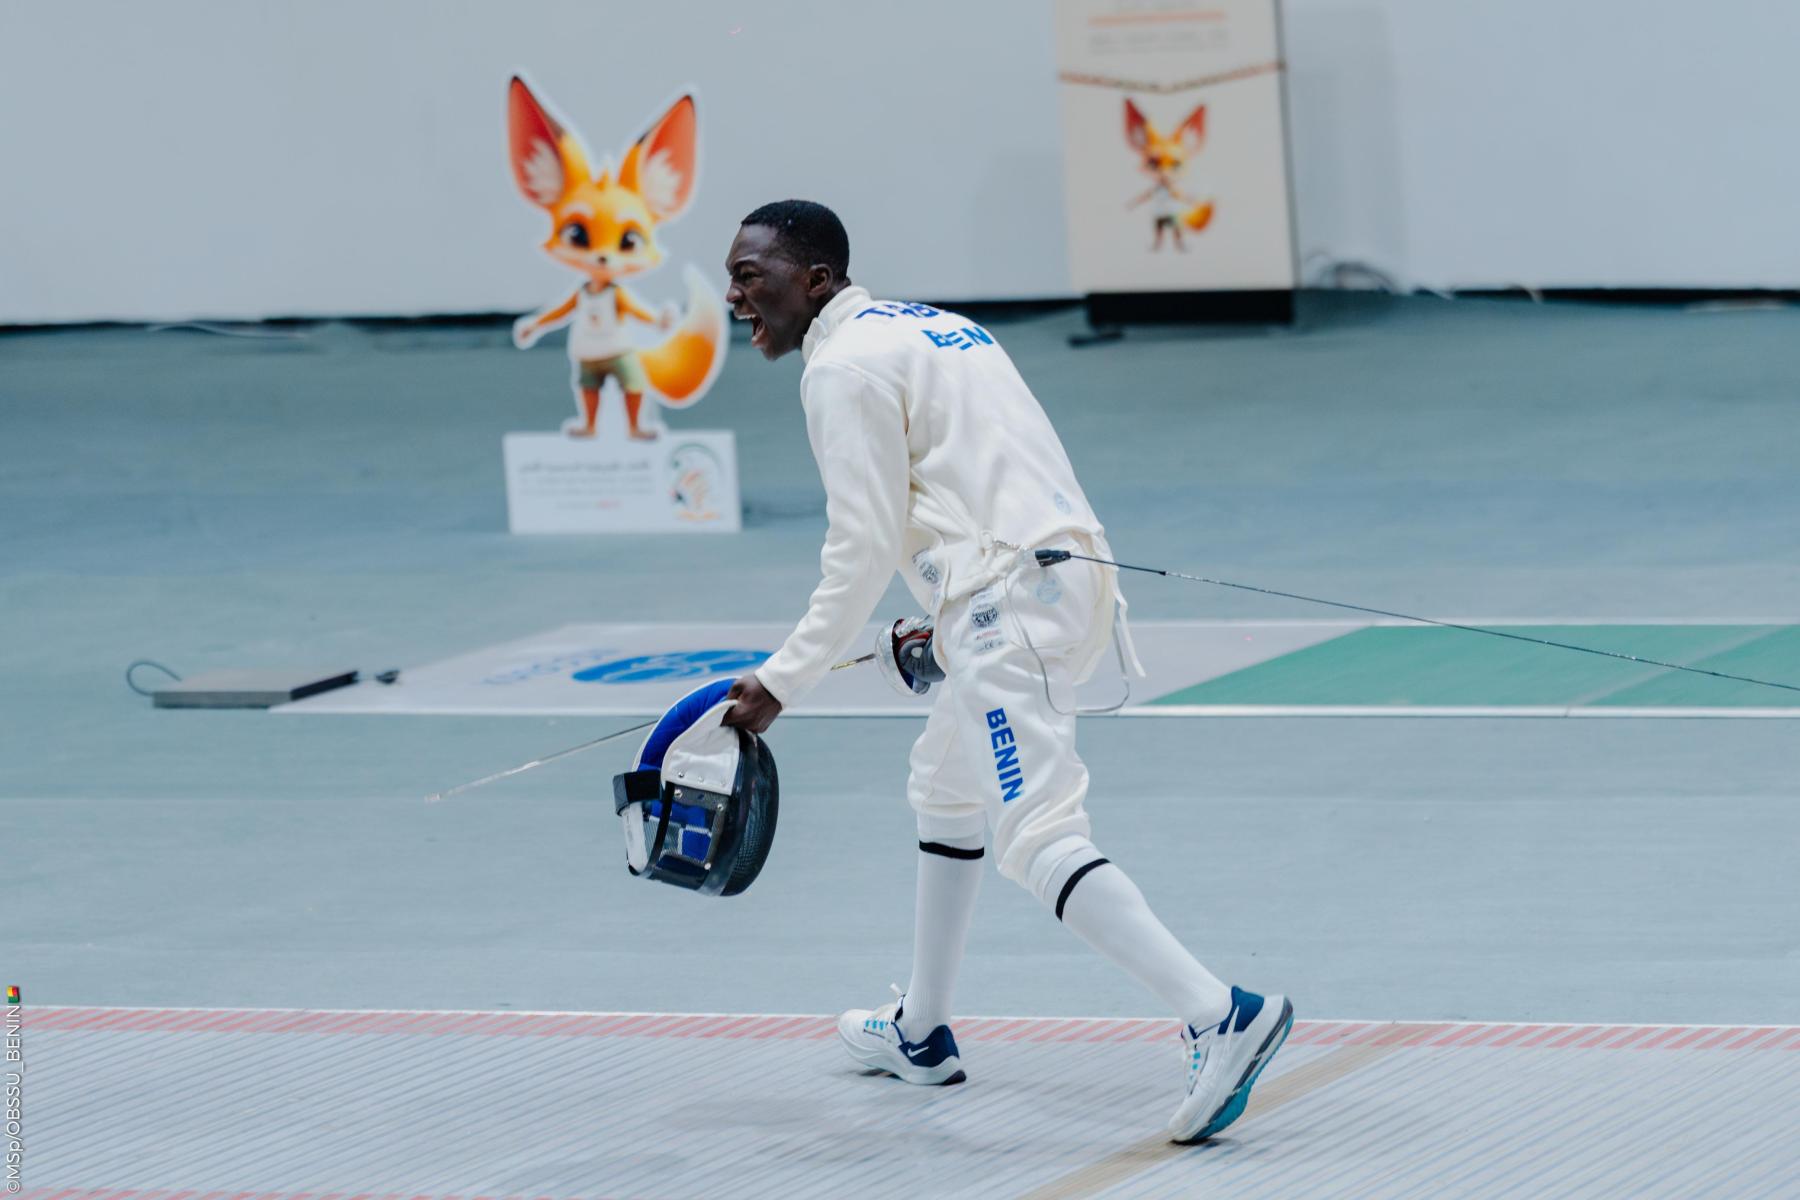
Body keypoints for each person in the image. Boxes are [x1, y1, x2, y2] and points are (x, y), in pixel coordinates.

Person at [719, 200, 1291, 1143]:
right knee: (944, 788)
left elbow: (859, 547)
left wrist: (785, 678)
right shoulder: (936, 327)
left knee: (1037, 837)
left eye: (751, 276)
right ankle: (920, 1030)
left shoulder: (843, 366)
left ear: (815, 280)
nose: (736, 296)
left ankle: (1218, 1013)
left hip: (1008, 604)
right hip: (1060, 577)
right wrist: (944, 619)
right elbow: (980, 486)